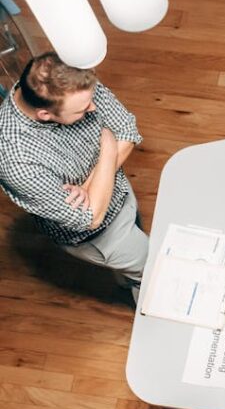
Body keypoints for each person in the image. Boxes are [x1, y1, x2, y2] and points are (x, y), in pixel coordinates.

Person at [0, 52, 146, 302]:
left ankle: (127, 278)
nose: (93, 107)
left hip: (121, 193)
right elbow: (90, 217)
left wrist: (90, 185)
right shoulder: (15, 158)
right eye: (81, 111)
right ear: (45, 114)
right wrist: (109, 146)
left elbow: (127, 130)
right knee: (150, 272)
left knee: (134, 259)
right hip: (102, 236)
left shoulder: (70, 82)